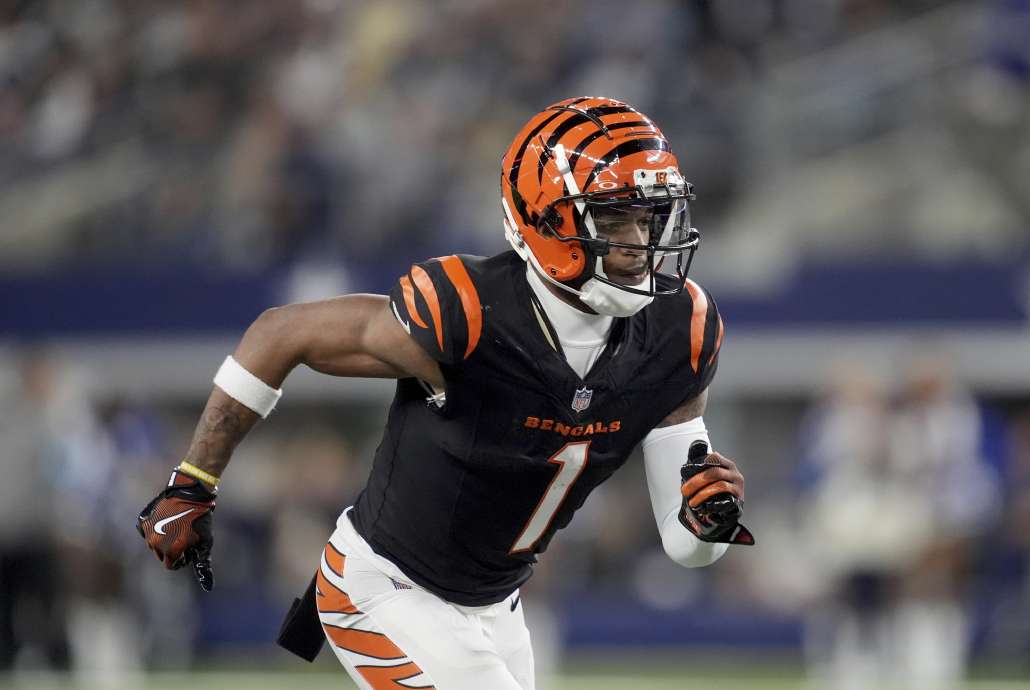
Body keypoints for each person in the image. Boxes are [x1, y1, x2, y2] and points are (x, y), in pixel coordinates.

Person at [134, 96, 754, 690]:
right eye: (614, 220)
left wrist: (708, 518)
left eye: (648, 218)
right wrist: (193, 482)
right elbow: (280, 334)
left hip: (497, 606)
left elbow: (686, 545)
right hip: (383, 587)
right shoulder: (468, 313)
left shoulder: (680, 331)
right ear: (546, 220)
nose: (639, 244)